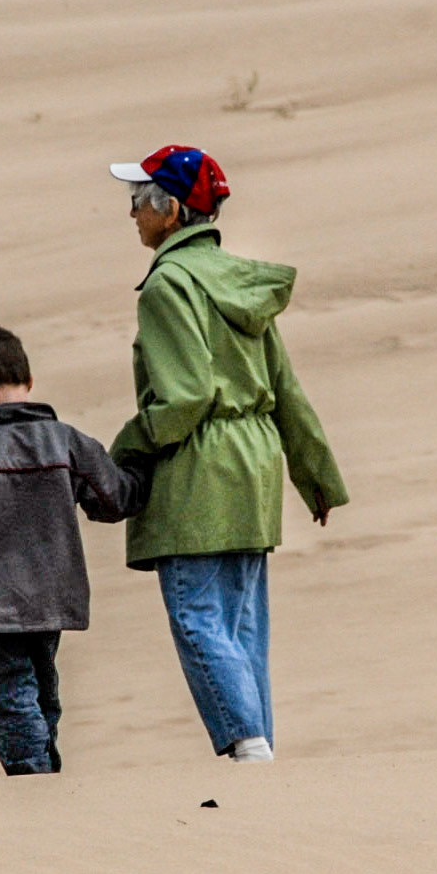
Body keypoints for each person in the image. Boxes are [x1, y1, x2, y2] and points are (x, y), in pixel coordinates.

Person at [108, 145, 348, 762]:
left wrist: (124, 449)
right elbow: (286, 389)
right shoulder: (239, 283)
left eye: (139, 200)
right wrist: (316, 475)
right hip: (255, 466)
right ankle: (259, 756)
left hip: (201, 470)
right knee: (242, 627)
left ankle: (247, 745)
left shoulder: (167, 286)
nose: (132, 213)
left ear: (171, 211)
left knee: (197, 618)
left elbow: (186, 397)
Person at [0, 324, 150, 775]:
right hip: (52, 599)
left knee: (11, 696)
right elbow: (114, 500)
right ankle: (46, 774)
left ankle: (33, 778)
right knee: (41, 691)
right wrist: (148, 462)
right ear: (29, 381)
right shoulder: (67, 441)